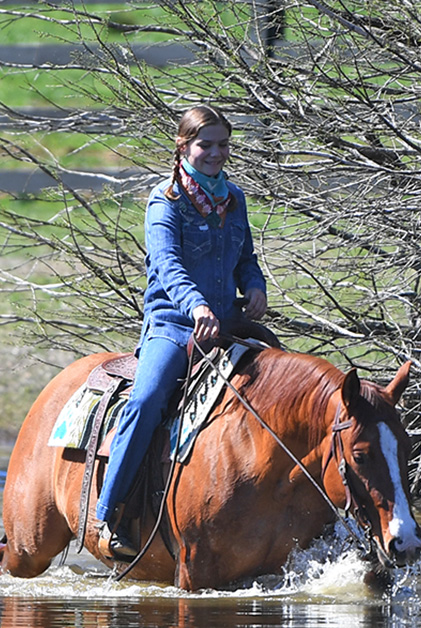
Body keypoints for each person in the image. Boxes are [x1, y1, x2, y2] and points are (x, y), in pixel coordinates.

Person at [95, 104, 268, 559]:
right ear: (184, 146)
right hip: (173, 324)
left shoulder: (235, 199)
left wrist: (254, 285)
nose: (215, 153)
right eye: (205, 144)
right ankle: (109, 513)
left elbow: (246, 256)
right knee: (147, 400)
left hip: (229, 324)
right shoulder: (164, 202)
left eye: (222, 144)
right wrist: (196, 306)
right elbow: (166, 265)